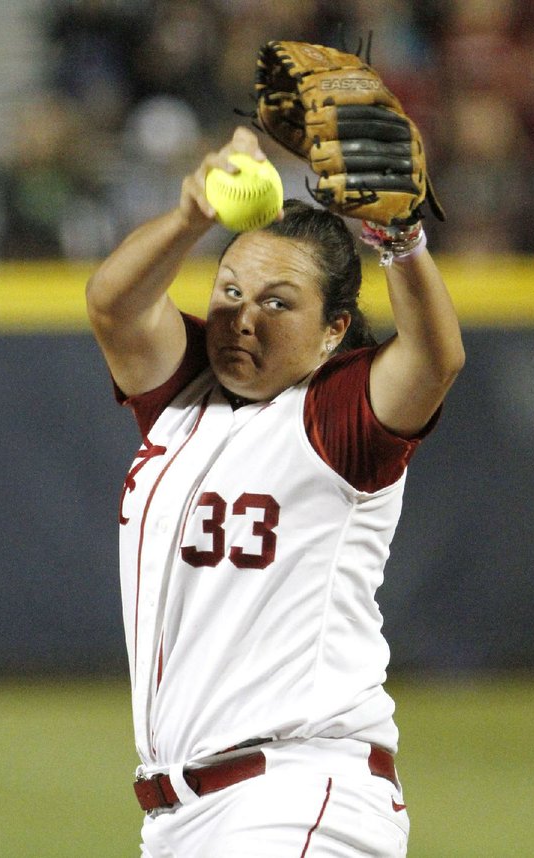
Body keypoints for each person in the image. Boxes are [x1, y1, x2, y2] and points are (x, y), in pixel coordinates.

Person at [86, 125, 464, 858]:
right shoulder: (182, 398)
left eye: (279, 303)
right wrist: (193, 212)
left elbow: (433, 358)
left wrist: (399, 236)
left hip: (296, 797)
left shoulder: (338, 418)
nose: (243, 318)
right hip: (183, 816)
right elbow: (114, 306)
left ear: (334, 332)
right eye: (231, 291)